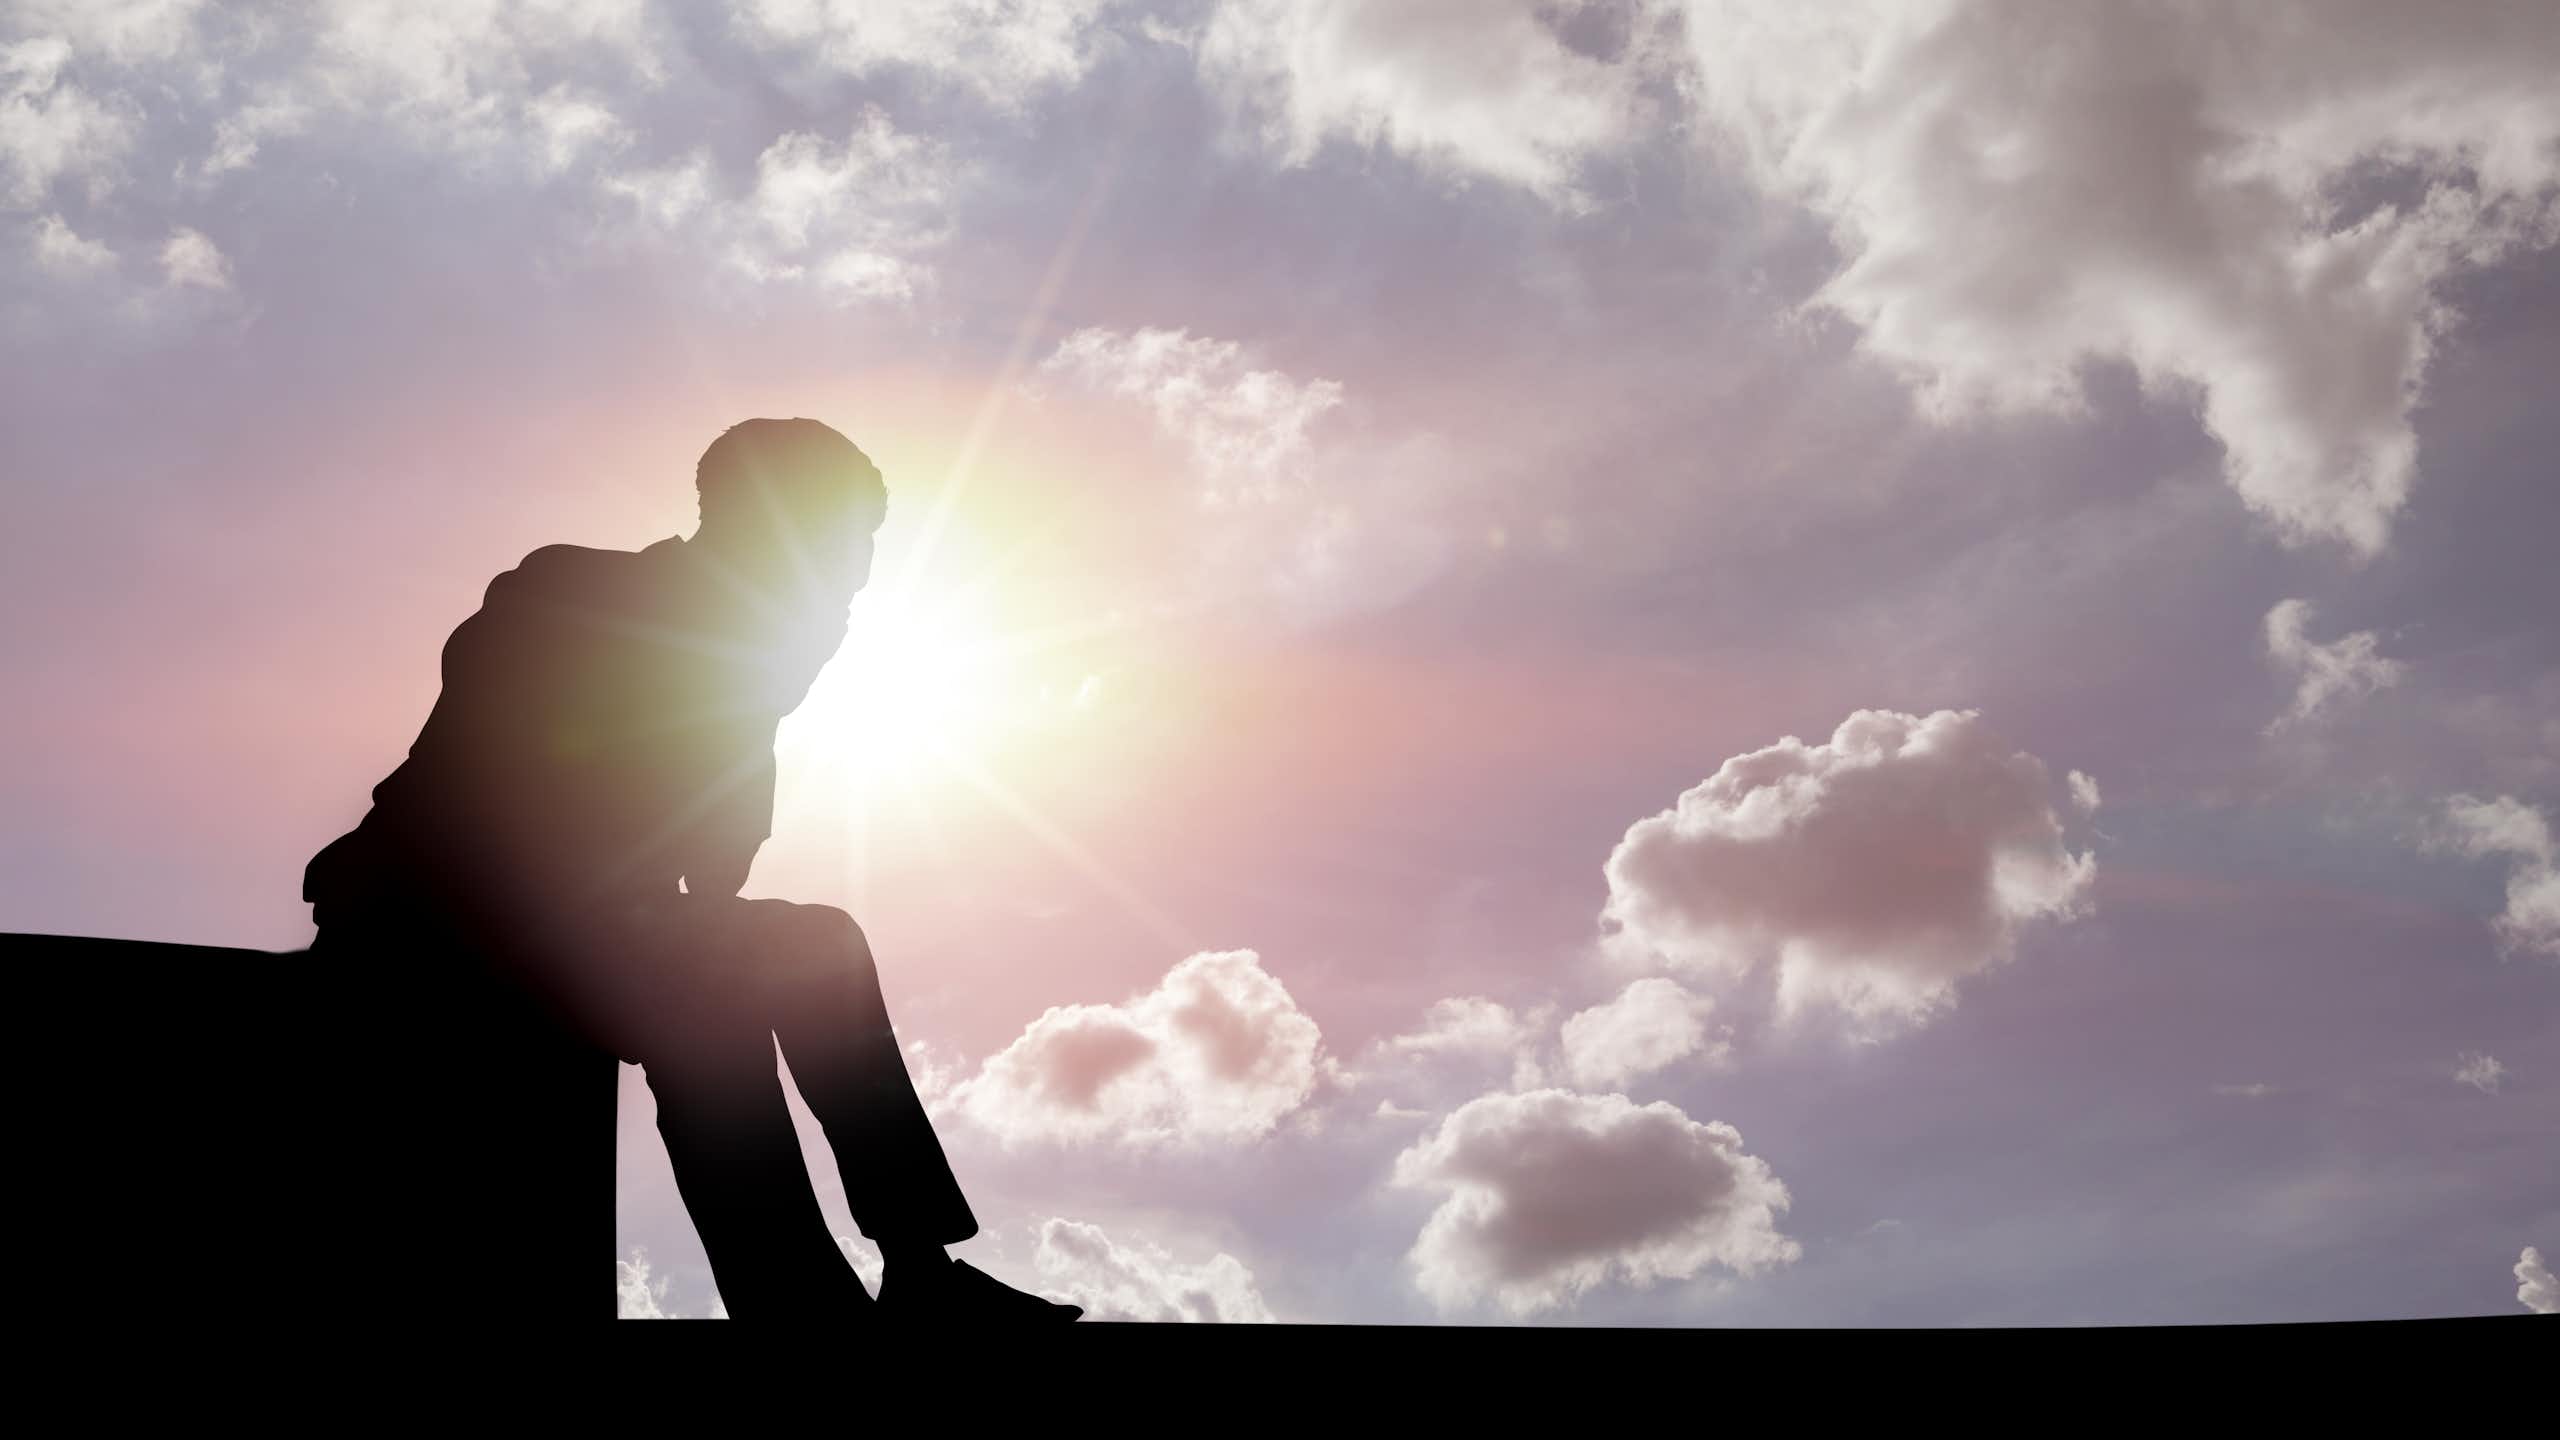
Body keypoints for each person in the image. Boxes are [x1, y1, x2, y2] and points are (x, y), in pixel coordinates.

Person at [301, 417, 1076, 1323]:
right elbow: (489, 779)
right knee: (714, 993)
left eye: (862, 551)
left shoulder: (750, 677)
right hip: (443, 916)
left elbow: (714, 867)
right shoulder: (573, 590)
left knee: (803, 948)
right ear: (756, 526)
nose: (858, 578)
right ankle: (802, 1300)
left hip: (586, 929)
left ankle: (912, 1266)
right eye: (840, 545)